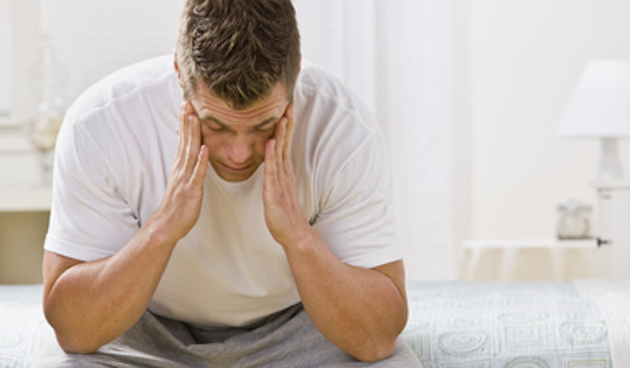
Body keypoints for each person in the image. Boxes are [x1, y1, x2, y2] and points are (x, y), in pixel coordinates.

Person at [33, 0, 422, 366]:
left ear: (296, 77)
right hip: (140, 329)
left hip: (301, 324)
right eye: (215, 125)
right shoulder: (101, 123)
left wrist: (298, 236)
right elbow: (73, 330)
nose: (238, 153)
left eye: (263, 126)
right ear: (179, 75)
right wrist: (164, 226)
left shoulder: (343, 128)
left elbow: (377, 337)